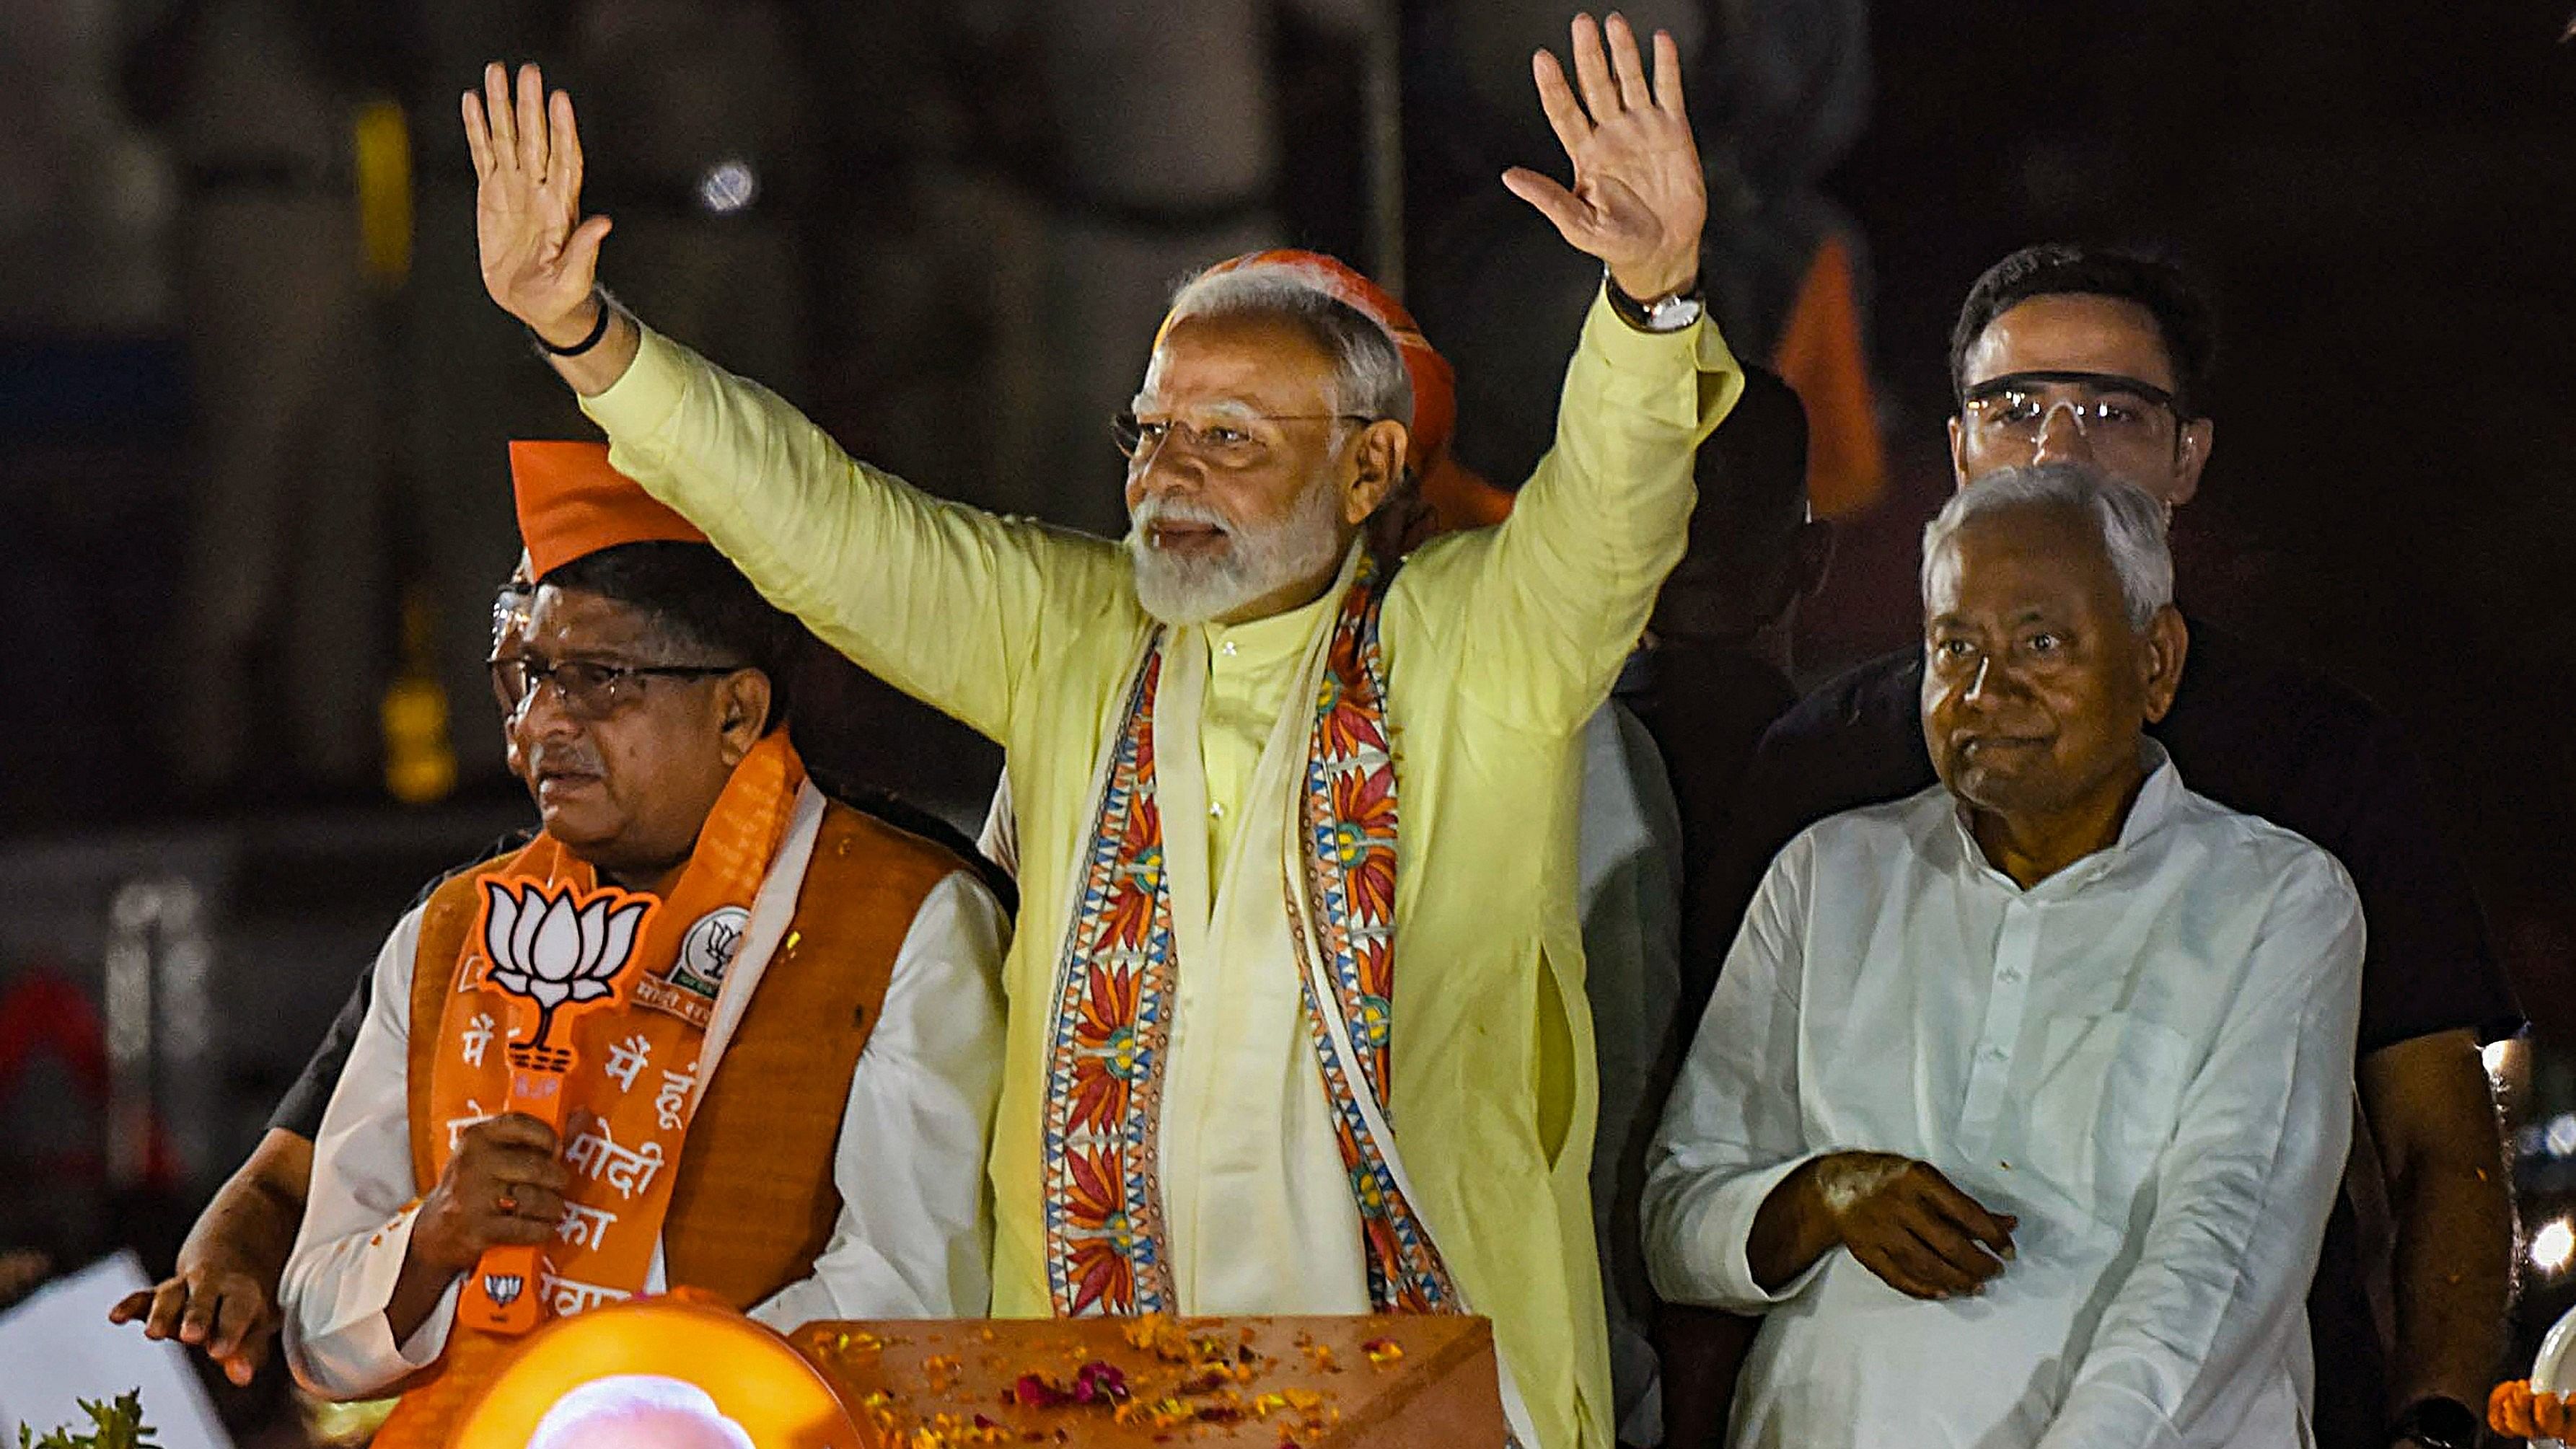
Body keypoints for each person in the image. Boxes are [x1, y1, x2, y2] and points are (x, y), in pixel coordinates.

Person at [462, 15, 1737, 1443]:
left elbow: (1612, 521)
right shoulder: (1074, 644)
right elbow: (822, 523)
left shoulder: (1474, 651)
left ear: (1373, 465)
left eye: (1232, 440)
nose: (1169, 476)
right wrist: (588, 340)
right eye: (1152, 434)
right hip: (1106, 1388)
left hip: (1427, 1392)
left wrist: (1651, 303)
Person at [1714, 244, 2518, 1449]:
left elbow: (2437, 1140)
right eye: (2015, 409)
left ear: (2188, 457)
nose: (2057, 448)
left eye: (2113, 413)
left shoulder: (2321, 767)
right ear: (1956, 447)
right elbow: (1713, 1162)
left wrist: (2440, 1417)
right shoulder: (1826, 772)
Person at [277, 443, 1009, 1448]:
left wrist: (625, 1411)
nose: (541, 724)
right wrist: (434, 1237)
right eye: (525, 677)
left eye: (600, 679)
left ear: (736, 710)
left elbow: (915, 1299)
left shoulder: (905, 916)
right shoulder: (451, 933)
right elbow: (317, 1330)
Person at [1649, 463, 2364, 1446]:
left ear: (2156, 662)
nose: (1989, 691)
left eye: (2041, 642)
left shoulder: (2274, 899)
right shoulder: (1830, 875)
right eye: (1956, 647)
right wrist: (1820, 1196)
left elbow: (2226, 1257)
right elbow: (1677, 1220)